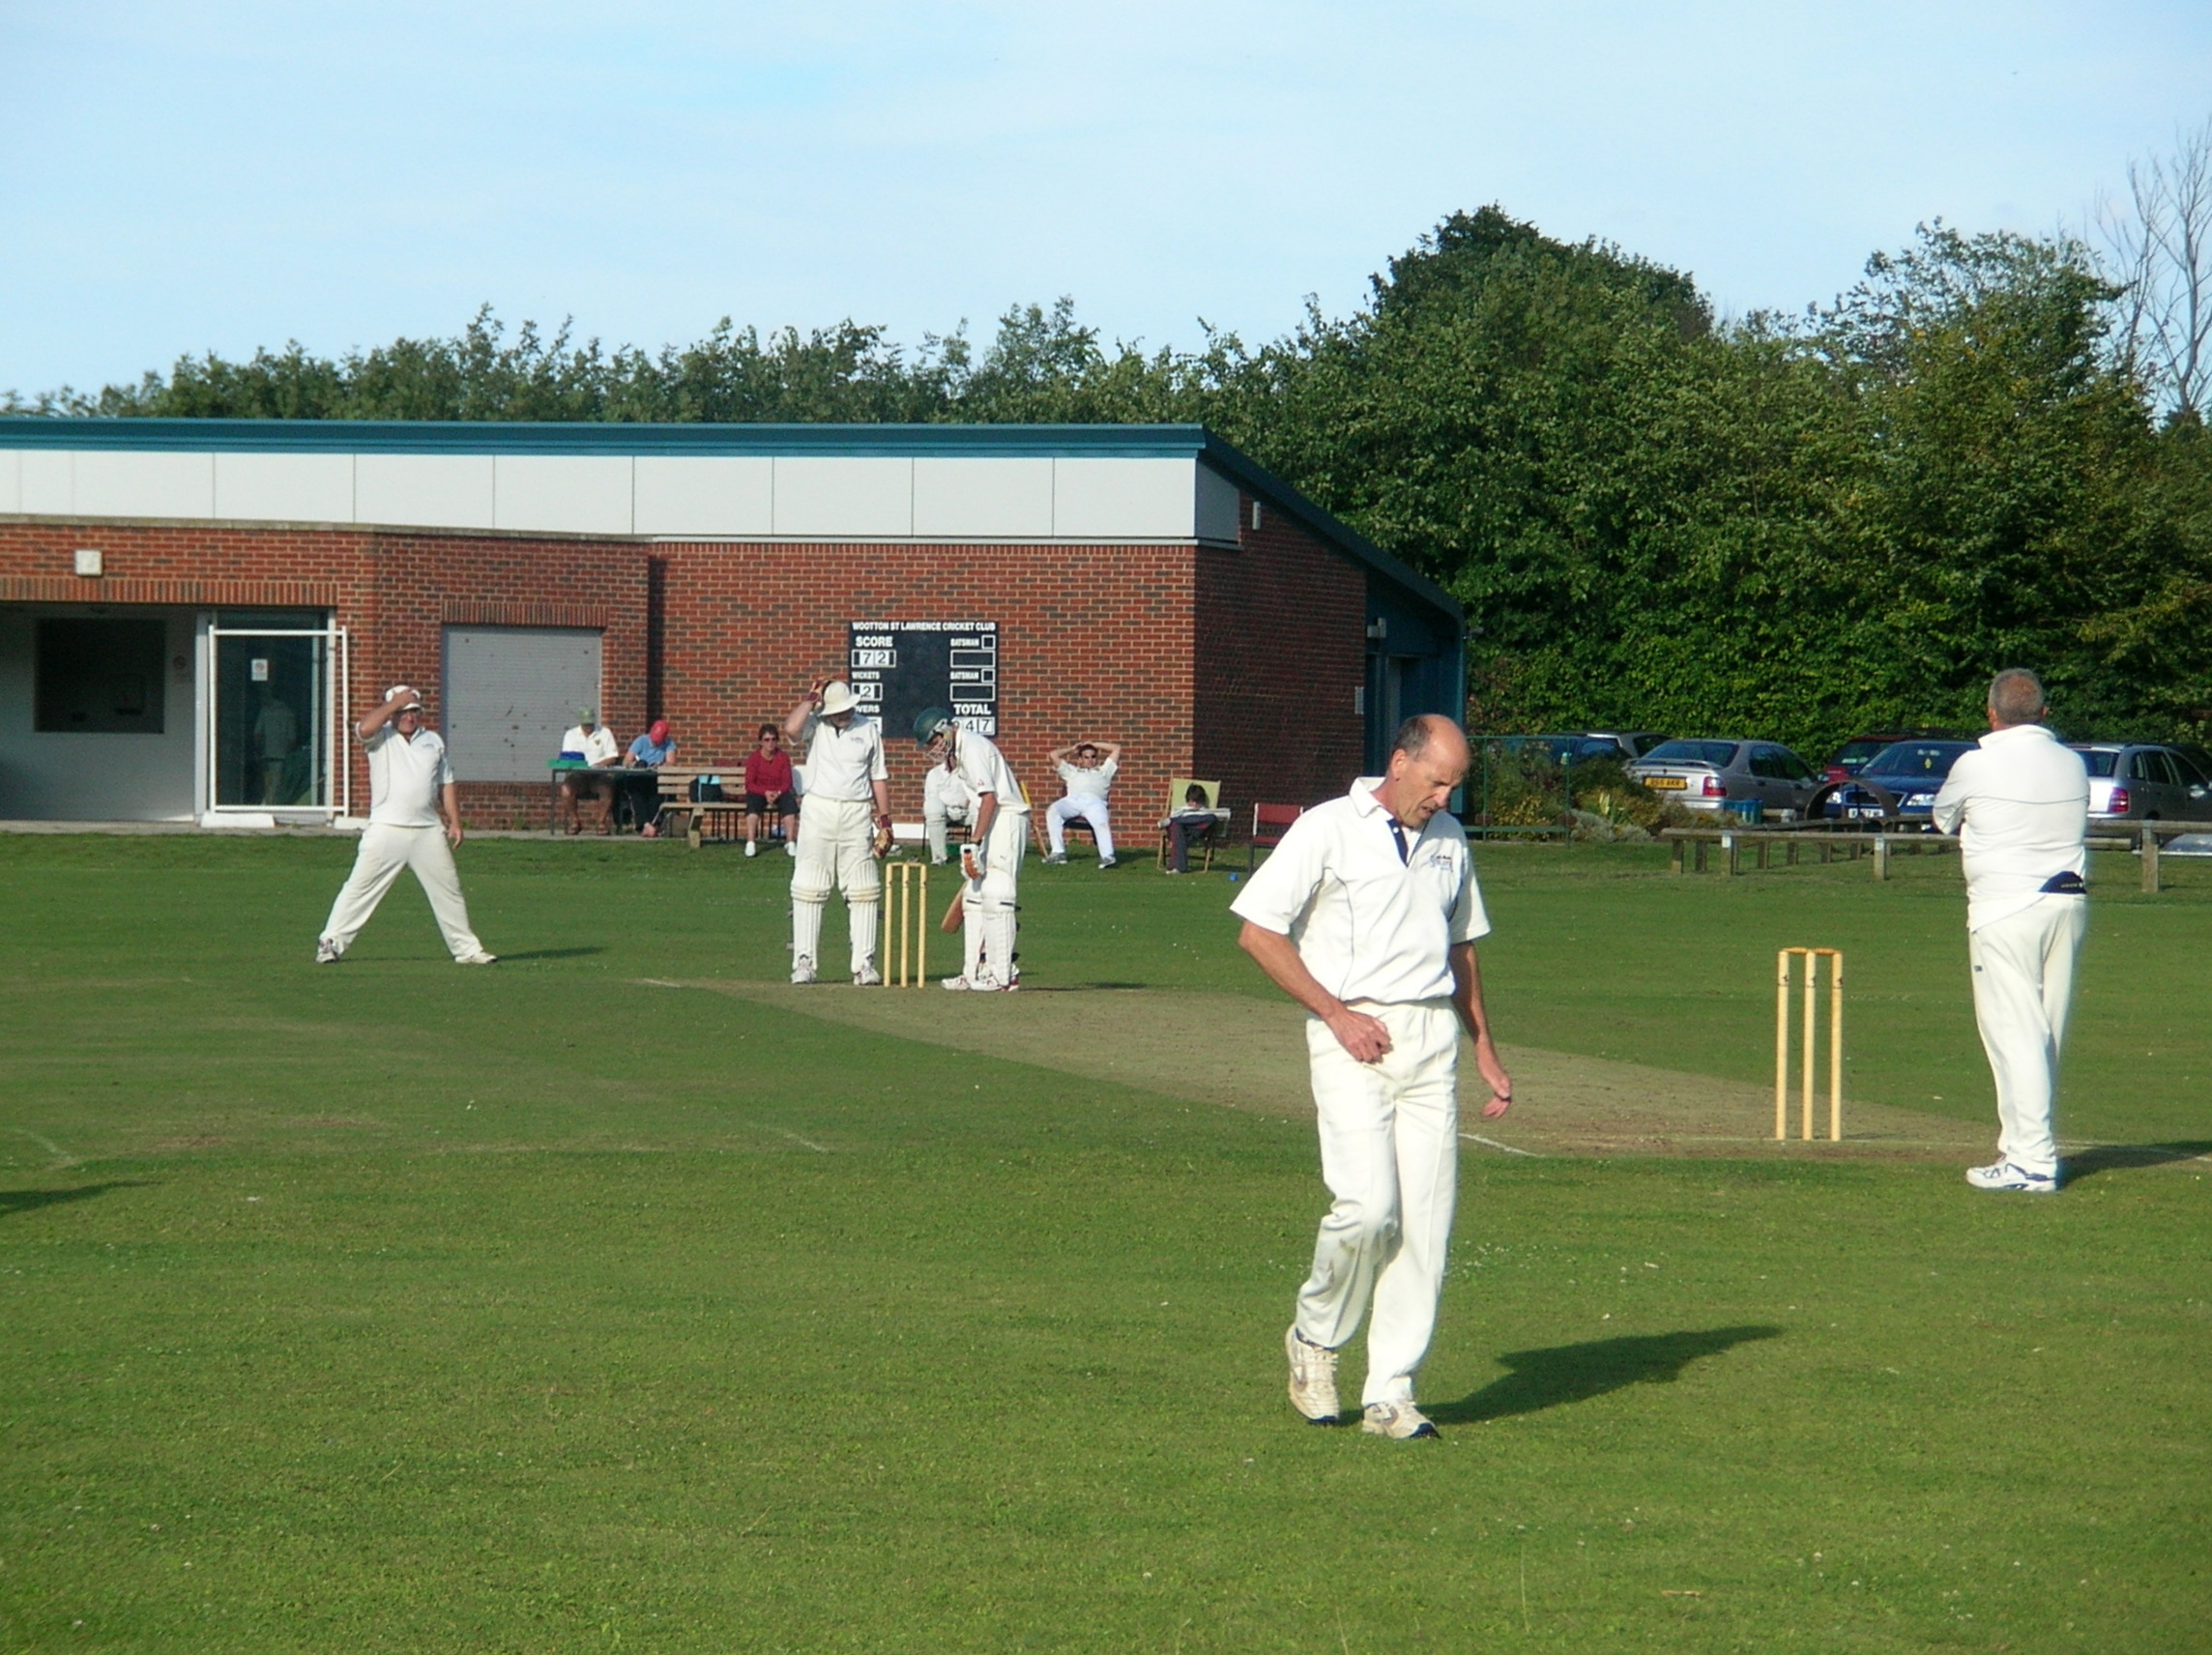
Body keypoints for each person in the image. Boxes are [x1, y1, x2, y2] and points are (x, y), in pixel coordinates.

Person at [1230, 714, 1511, 1440]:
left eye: (1456, 784)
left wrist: (1483, 1045)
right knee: (1368, 1207)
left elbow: (1461, 950)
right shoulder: (1328, 827)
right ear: (1399, 762)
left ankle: (1391, 1390)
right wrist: (1336, 1013)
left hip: (1430, 1040)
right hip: (1351, 1035)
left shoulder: (1449, 840)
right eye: (1436, 781)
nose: (1445, 797)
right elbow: (1258, 932)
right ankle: (1314, 1339)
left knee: (1425, 1226)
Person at [1931, 668, 2089, 1193]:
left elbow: (1943, 818)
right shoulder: (2072, 763)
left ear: (1991, 714)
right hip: (2068, 904)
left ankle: (2033, 1162)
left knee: (2014, 1033)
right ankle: (2021, 1148)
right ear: (2044, 713)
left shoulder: (1976, 763)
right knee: (2044, 1032)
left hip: (2005, 909)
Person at [315, 686, 495, 967]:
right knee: (359, 889)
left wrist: (455, 822)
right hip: (387, 828)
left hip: (427, 831)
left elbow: (445, 782)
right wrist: (394, 704)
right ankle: (330, 944)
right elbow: (363, 728)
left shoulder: (432, 741)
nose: (409, 717)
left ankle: (467, 949)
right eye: (403, 712)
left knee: (449, 890)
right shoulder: (381, 737)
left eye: (413, 712)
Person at [784, 679, 891, 984]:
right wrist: (810, 698)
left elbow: (878, 777)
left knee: (863, 890)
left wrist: (886, 821)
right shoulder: (815, 724)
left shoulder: (868, 729)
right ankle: (804, 963)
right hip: (819, 810)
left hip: (857, 812)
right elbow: (791, 729)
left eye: (847, 709)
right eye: (838, 710)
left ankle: (864, 965)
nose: (844, 715)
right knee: (809, 887)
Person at [915, 709, 1028, 991]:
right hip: (989, 820)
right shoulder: (960, 755)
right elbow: (976, 803)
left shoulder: (973, 747)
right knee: (974, 897)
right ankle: (972, 973)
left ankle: (1003, 975)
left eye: (933, 741)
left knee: (997, 892)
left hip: (1008, 818)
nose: (933, 749)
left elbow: (990, 798)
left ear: (946, 730)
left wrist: (974, 842)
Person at [1044, 740, 1120, 867]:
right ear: (1080, 760)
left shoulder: (1104, 771)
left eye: (1093, 757)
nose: (1090, 760)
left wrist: (1095, 744)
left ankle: (1107, 856)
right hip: (1073, 800)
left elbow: (1116, 748)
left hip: (1095, 802)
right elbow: (1053, 755)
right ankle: (1058, 853)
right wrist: (1072, 748)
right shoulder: (1071, 771)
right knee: (1053, 810)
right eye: (1086, 757)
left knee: (1101, 822)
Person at [557, 709, 621, 834]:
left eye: (590, 724)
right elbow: (568, 756)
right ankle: (575, 821)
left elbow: (613, 756)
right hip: (578, 775)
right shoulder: (571, 735)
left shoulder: (605, 733)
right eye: (585, 725)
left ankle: (601, 823)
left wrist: (600, 764)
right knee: (566, 789)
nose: (588, 727)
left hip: (599, 775)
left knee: (607, 789)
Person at [742, 722, 800, 858]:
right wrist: (765, 793)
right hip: (760, 791)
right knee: (753, 805)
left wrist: (778, 793)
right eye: (766, 740)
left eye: (773, 739)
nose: (770, 743)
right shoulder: (754, 758)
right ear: (761, 741)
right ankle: (750, 842)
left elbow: (787, 782)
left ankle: (790, 842)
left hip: (779, 791)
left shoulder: (783, 757)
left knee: (790, 804)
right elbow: (749, 784)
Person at [623, 718, 677, 836]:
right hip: (638, 776)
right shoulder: (641, 740)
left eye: (658, 742)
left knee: (656, 795)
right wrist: (635, 764)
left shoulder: (669, 743)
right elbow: (626, 761)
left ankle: (647, 825)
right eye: (654, 741)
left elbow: (671, 763)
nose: (655, 744)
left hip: (655, 777)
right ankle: (647, 825)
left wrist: (660, 765)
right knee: (636, 795)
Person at [923, 761, 976, 866]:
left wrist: (967, 802)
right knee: (933, 807)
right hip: (944, 812)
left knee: (978, 807)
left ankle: (978, 854)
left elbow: (976, 793)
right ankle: (939, 858)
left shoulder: (970, 771)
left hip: (966, 811)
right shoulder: (934, 774)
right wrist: (953, 803)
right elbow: (932, 797)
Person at [252, 693, 301, 806]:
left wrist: (259, 750)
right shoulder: (289, 713)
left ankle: (267, 805)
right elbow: (292, 738)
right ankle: (272, 806)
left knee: (266, 785)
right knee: (277, 785)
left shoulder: (265, 712)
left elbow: (257, 734)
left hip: (265, 755)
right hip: (282, 757)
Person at [1163, 782, 1220, 874]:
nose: (1193, 804)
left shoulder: (1205, 812)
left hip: (1197, 832)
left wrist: (1177, 820)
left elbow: (1211, 820)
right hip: (1181, 833)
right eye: (1191, 801)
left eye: (1196, 802)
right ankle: (1179, 867)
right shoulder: (1180, 810)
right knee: (1177, 826)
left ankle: (1178, 866)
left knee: (1211, 818)